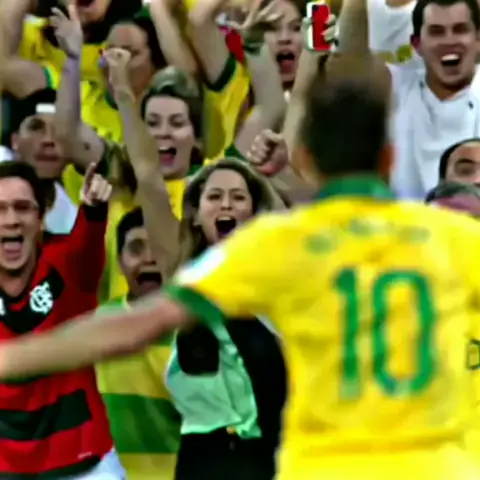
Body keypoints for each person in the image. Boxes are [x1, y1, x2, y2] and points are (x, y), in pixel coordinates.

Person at [2, 65, 480, 480]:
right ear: (390, 158)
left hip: (318, 463)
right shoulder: (451, 237)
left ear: (306, 157)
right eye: (215, 196)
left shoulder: (276, 246)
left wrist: (14, 359)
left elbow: (135, 326)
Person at [0, 161, 124, 477]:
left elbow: (86, 245)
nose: (11, 220)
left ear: (41, 218)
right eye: (0, 209)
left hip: (85, 466)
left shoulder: (67, 265)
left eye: (22, 208)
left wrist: (93, 209)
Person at [96, 207, 181, 480]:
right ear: (120, 262)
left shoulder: (197, 329)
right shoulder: (98, 323)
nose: (149, 258)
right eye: (136, 248)